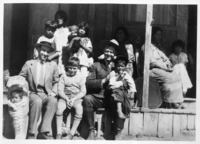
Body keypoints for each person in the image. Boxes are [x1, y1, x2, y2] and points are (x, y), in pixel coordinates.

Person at [83, 39, 128, 140]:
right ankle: (91, 130)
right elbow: (88, 83)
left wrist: (119, 83)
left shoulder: (120, 66)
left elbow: (127, 83)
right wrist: (103, 81)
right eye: (107, 51)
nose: (109, 54)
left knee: (120, 97)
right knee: (87, 99)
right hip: (99, 97)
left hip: (113, 98)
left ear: (115, 54)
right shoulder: (96, 65)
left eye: (111, 52)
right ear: (103, 52)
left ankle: (118, 132)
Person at [19, 41, 59, 139]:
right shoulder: (29, 64)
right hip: (33, 92)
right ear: (38, 50)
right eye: (43, 50)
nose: (45, 54)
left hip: (46, 93)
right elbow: (21, 78)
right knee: (37, 101)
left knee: (53, 101)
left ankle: (43, 131)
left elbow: (56, 81)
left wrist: (53, 92)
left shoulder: (52, 65)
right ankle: (31, 133)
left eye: (47, 52)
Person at [56, 57, 86, 140]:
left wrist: (74, 99)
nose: (72, 70)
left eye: (74, 68)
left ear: (78, 68)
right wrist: (66, 98)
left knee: (79, 109)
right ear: (67, 66)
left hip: (76, 97)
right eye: (70, 68)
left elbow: (83, 92)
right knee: (59, 108)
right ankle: (59, 133)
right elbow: (60, 90)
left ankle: (72, 133)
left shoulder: (81, 77)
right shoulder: (63, 76)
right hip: (65, 97)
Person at [54, 10, 71, 75]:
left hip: (65, 54)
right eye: (57, 18)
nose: (59, 19)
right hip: (56, 54)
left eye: (61, 18)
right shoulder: (54, 31)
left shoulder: (67, 30)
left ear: (64, 18)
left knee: (65, 72)